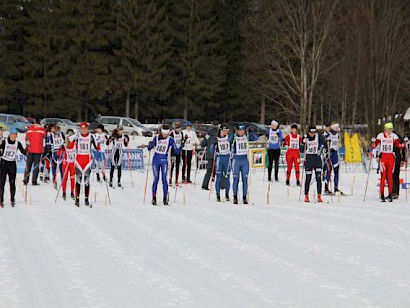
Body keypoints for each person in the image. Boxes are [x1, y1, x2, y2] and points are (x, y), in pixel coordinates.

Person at [148, 124, 180, 205]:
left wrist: (182, 145)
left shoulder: (170, 139)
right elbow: (149, 148)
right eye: (164, 133)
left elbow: (177, 152)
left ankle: (165, 198)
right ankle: (154, 197)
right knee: (156, 179)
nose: (165, 135)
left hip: (164, 161)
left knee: (164, 179)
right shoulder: (156, 137)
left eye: (167, 133)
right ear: (161, 132)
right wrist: (150, 144)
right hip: (156, 161)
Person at [69, 122, 100, 207]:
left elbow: (97, 148)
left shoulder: (91, 136)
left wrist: (98, 142)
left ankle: (86, 199)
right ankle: (77, 199)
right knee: (78, 180)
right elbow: (70, 146)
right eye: (82, 129)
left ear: (87, 129)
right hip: (78, 160)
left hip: (87, 161)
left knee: (86, 181)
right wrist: (74, 140)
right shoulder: (77, 136)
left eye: (85, 129)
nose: (83, 130)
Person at [373, 122, 403, 202]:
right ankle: (382, 194)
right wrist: (373, 145)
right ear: (385, 129)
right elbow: (375, 145)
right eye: (389, 129)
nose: (390, 131)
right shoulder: (380, 135)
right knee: (383, 177)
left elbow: (398, 145)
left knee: (390, 177)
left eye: (391, 129)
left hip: (391, 157)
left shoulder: (394, 136)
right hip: (383, 157)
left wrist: (402, 145)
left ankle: (390, 194)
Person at [230, 125, 257, 204]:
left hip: (245, 160)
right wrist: (233, 133)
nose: (242, 132)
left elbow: (256, 138)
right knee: (236, 180)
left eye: (243, 130)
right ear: (237, 131)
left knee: (245, 180)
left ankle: (244, 197)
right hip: (236, 160)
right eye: (240, 130)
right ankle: (235, 197)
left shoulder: (246, 137)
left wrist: (252, 131)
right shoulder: (235, 137)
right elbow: (229, 140)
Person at [0, 129, 26, 207]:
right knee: (1, 183)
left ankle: (12, 200)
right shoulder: (4, 142)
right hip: (4, 163)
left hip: (12, 164)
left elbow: (23, 152)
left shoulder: (18, 143)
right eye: (13, 134)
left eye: (16, 135)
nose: (15, 136)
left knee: (12, 183)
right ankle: (1, 201)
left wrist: (28, 147)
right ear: (10, 134)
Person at [302, 126, 326, 203]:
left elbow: (324, 144)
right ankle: (306, 195)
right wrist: (303, 144)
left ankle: (319, 195)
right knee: (308, 178)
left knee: (318, 178)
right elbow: (301, 149)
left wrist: (321, 149)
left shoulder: (319, 136)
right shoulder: (305, 137)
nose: (312, 134)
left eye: (314, 133)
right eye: (311, 133)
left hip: (317, 159)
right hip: (309, 159)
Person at [214, 125, 231, 202]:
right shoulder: (217, 139)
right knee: (218, 177)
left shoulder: (229, 138)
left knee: (227, 177)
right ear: (220, 131)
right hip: (219, 159)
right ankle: (218, 195)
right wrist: (213, 145)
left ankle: (227, 194)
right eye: (224, 131)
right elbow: (211, 150)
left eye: (226, 131)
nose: (225, 132)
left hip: (227, 158)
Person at [201, 120, 220, 190]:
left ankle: (205, 184)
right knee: (220, 169)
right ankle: (222, 185)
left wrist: (207, 143)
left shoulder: (208, 133)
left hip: (210, 154)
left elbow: (202, 144)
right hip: (218, 154)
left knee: (209, 170)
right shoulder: (220, 132)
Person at [57, 132, 76, 200]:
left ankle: (72, 192)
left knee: (72, 179)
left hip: (72, 164)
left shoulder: (75, 144)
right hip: (66, 163)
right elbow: (58, 154)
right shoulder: (65, 145)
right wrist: (60, 148)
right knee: (65, 179)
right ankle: (64, 192)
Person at [325, 122, 341, 194]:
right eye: (336, 127)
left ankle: (336, 187)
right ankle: (326, 187)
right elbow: (323, 142)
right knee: (329, 170)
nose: (337, 128)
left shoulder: (337, 134)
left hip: (335, 153)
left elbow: (338, 143)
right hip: (329, 153)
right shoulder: (328, 134)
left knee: (336, 170)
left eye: (338, 127)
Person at [392, 131, 406, 199]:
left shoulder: (398, 137)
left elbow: (403, 147)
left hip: (396, 157)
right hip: (389, 157)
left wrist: (403, 159)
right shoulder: (385, 136)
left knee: (395, 175)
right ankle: (393, 191)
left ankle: (395, 192)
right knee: (391, 175)